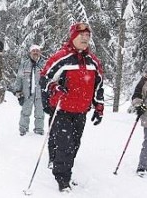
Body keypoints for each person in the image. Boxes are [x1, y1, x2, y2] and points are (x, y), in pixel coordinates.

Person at [39, 22, 104, 192]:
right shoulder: (61, 58)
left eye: (87, 36)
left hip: (81, 111)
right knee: (65, 145)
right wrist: (55, 88)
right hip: (62, 110)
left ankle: (62, 167)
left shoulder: (93, 61)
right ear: (73, 37)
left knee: (74, 144)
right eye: (81, 35)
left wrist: (99, 107)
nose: (85, 38)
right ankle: (62, 179)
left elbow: (98, 86)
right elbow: (44, 78)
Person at [14, 44, 45, 136]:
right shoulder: (24, 64)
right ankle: (23, 130)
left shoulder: (44, 64)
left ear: (40, 52)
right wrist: (18, 91)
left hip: (40, 94)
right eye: (33, 51)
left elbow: (49, 78)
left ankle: (39, 130)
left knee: (40, 113)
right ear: (30, 52)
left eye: (37, 50)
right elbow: (19, 78)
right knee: (25, 112)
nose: (35, 52)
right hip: (27, 93)